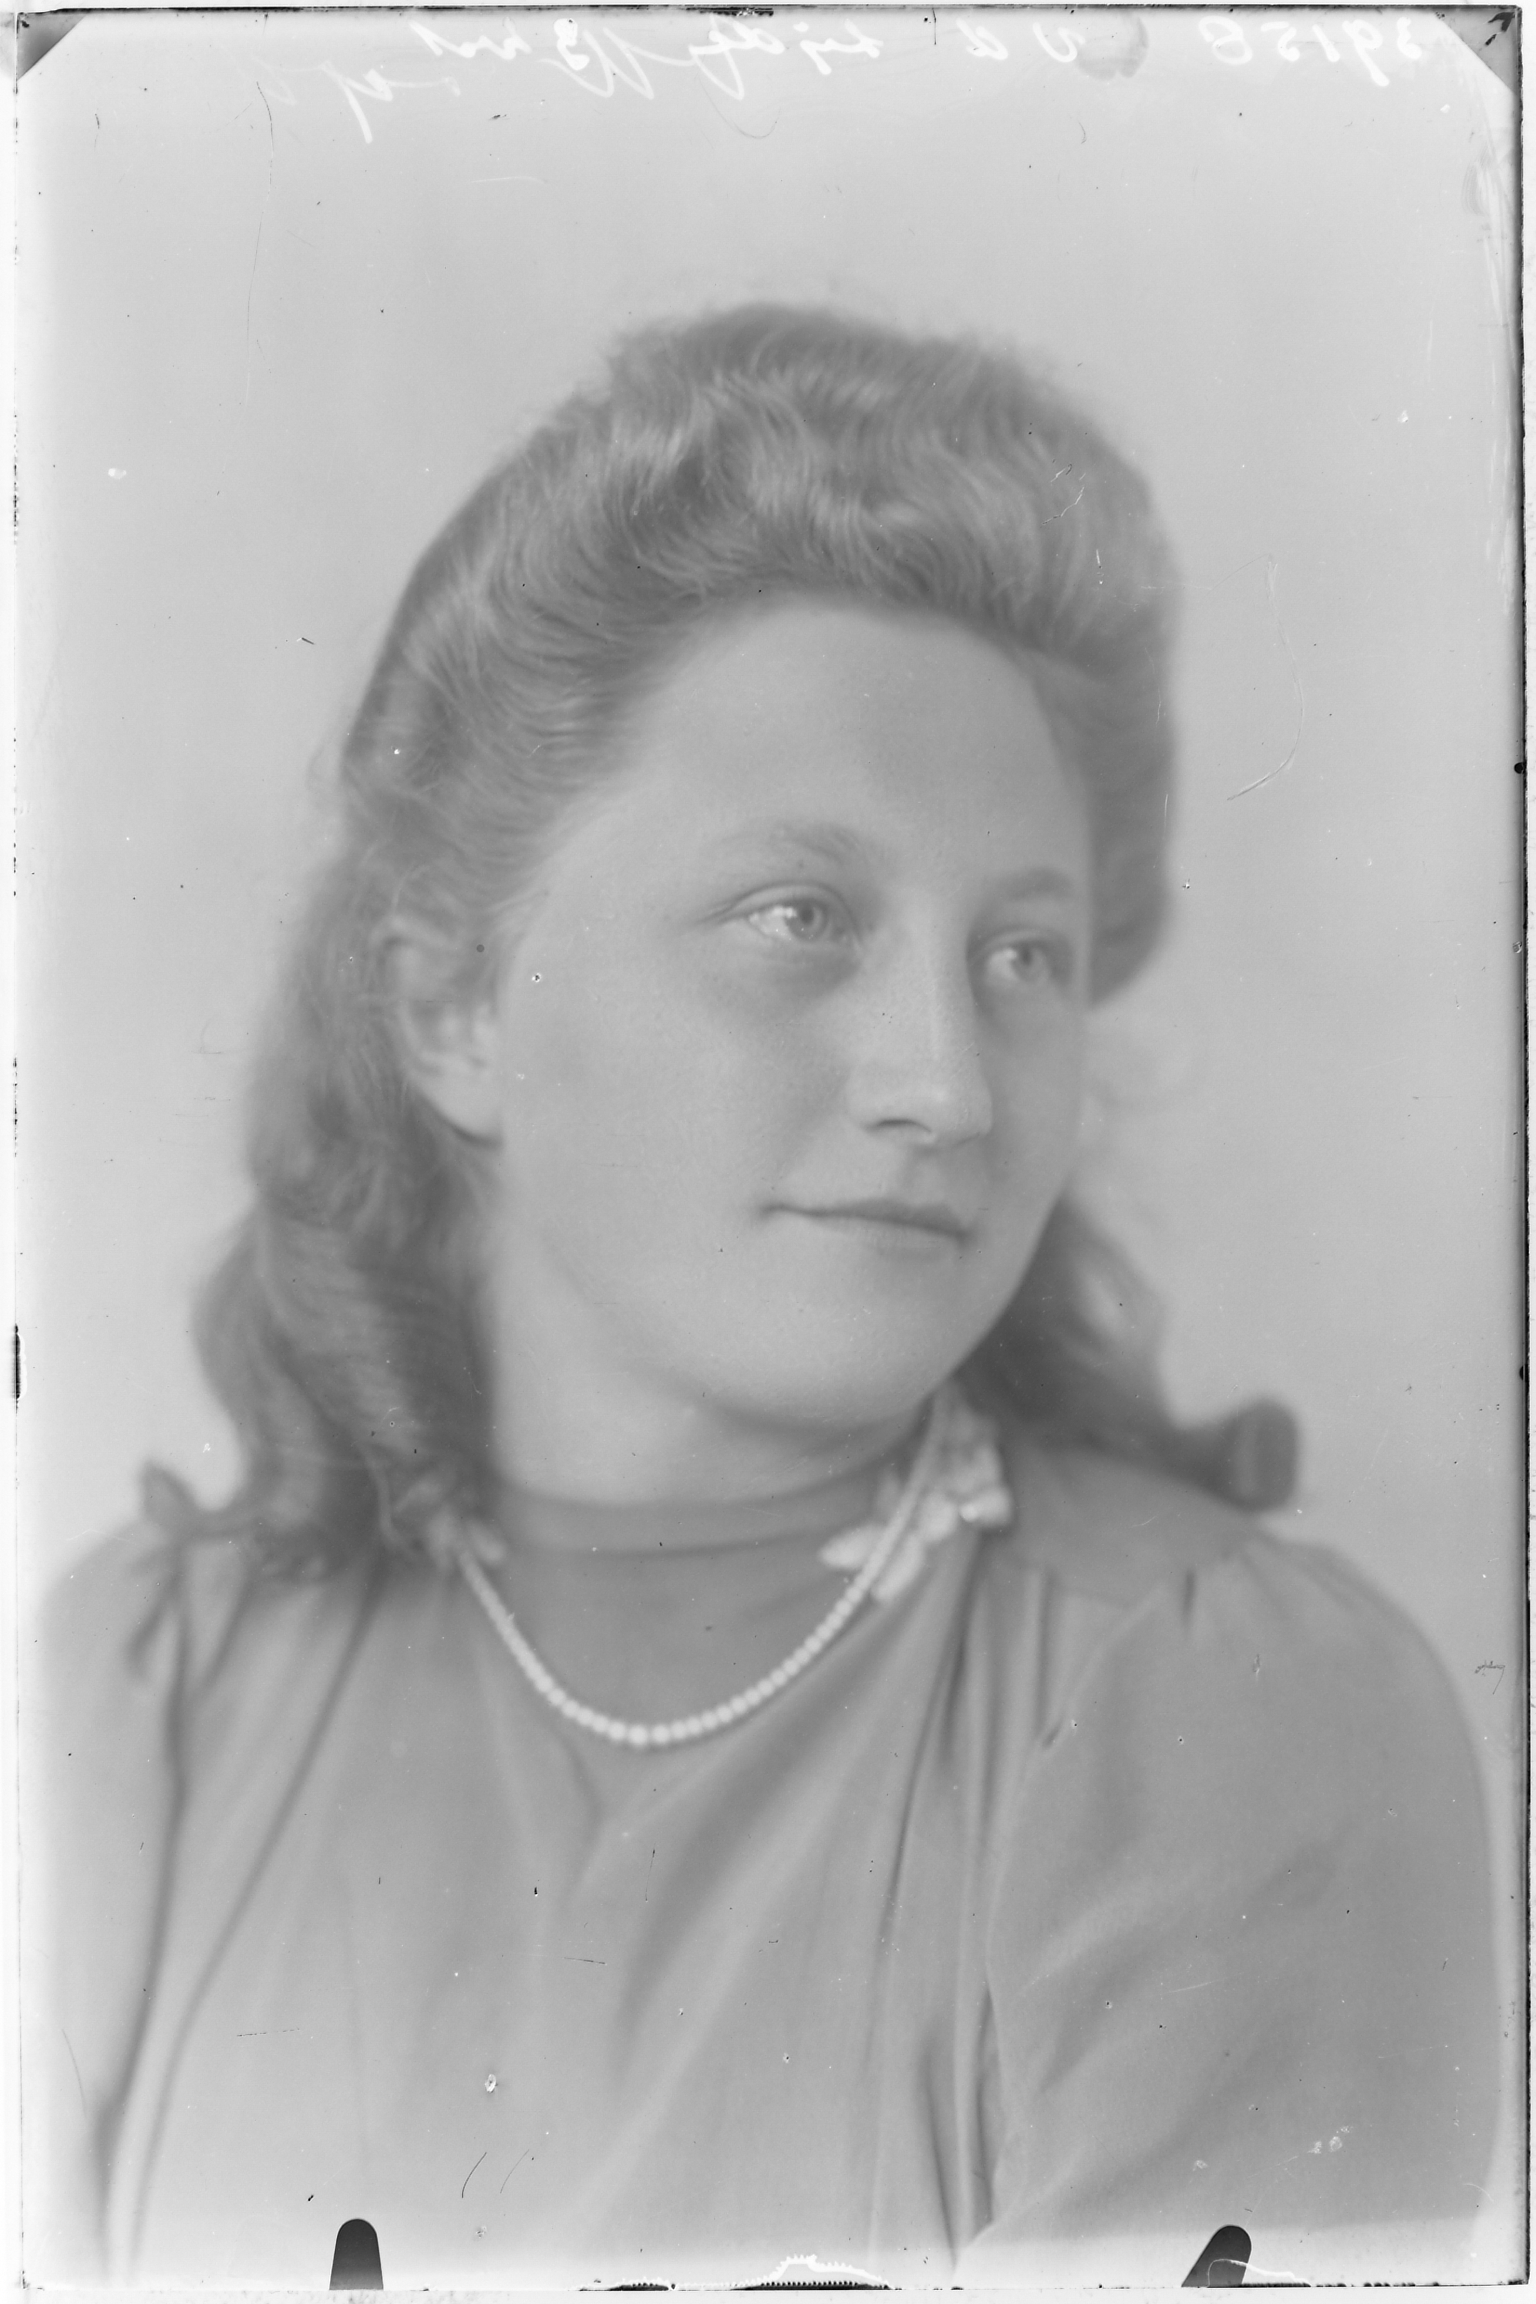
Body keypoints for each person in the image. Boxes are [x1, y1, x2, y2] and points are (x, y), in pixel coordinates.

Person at [30, 306, 1496, 2289]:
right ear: (452, 1009)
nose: (949, 1087)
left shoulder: (1218, 1713)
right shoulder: (139, 1699)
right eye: (798, 917)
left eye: (1024, 955)